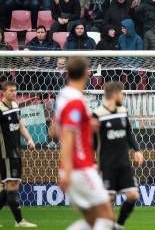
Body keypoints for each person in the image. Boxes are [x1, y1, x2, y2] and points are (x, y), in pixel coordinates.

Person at [56, 57, 115, 230]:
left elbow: (56, 128)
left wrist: (87, 124)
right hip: (79, 167)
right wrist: (67, 169)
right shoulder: (75, 100)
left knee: (91, 220)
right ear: (87, 72)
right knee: (107, 217)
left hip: (74, 167)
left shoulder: (64, 95)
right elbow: (67, 134)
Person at [93, 81, 144, 230]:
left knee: (133, 196)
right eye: (121, 93)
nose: (123, 96)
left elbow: (128, 132)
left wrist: (137, 150)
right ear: (115, 94)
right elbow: (91, 142)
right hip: (107, 164)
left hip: (124, 163)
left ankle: (119, 225)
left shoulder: (123, 110)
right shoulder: (97, 115)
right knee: (109, 199)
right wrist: (92, 161)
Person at [0, 81, 37, 228]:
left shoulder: (15, 106)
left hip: (16, 151)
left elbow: (20, 124)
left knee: (11, 185)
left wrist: (29, 139)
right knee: (11, 185)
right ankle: (19, 221)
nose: (14, 93)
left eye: (15, 90)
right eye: (11, 91)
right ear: (3, 92)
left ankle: (19, 221)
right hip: (6, 153)